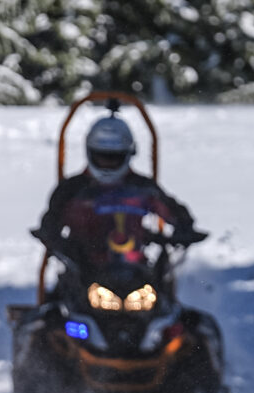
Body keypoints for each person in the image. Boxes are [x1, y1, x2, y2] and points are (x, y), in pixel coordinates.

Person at [33, 114, 202, 281]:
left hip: (136, 271)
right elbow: (51, 220)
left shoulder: (143, 187)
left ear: (128, 154)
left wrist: (183, 228)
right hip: (83, 272)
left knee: (161, 292)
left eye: (114, 158)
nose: (107, 164)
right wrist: (54, 238)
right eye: (102, 157)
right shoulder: (71, 189)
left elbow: (171, 210)